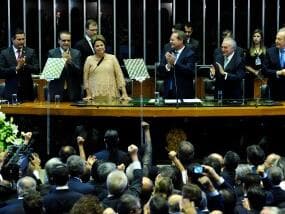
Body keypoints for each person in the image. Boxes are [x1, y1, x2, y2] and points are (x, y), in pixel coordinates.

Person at [83, 34, 131, 100]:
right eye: (97, 46)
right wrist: (88, 94)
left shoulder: (112, 58)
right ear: (93, 48)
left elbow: (119, 76)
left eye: (101, 45)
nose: (100, 47)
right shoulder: (89, 59)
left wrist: (124, 94)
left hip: (111, 95)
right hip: (94, 95)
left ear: (105, 46)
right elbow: (85, 78)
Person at [0, 28, 39, 102]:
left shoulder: (30, 52)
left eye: (23, 39)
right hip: (11, 92)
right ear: (13, 39)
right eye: (19, 39)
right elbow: (1, 71)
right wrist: (16, 68)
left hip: (27, 93)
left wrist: (25, 65)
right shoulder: (4, 53)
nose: (22, 41)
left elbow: (37, 69)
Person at [157, 30, 196, 99]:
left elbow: (190, 71)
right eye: (170, 40)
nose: (170, 42)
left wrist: (174, 63)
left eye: (172, 40)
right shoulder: (168, 52)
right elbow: (160, 70)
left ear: (181, 40)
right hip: (168, 92)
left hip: (183, 93)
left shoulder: (190, 53)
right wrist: (168, 66)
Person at [47, 30, 82, 101]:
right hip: (56, 92)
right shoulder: (52, 53)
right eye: (64, 40)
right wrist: (61, 61)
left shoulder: (76, 53)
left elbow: (79, 72)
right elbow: (49, 74)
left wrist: (70, 62)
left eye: (68, 40)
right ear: (59, 41)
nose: (66, 43)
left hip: (73, 92)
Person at [262, 27, 285, 101]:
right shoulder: (270, 52)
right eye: (276, 38)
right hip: (273, 91)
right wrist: (278, 72)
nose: (276, 41)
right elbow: (264, 70)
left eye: (279, 39)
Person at [244, 29, 266, 98]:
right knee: (250, 97)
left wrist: (261, 71)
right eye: (254, 36)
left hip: (262, 76)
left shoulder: (266, 50)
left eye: (258, 36)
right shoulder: (248, 50)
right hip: (251, 76)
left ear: (261, 38)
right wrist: (255, 71)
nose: (256, 38)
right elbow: (246, 65)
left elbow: (267, 63)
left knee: (262, 96)